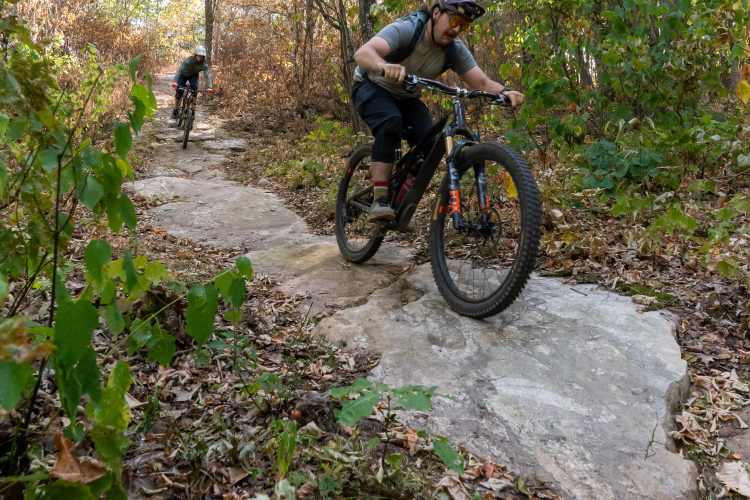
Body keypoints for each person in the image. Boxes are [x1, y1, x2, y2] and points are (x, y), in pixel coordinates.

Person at [352, 0, 524, 223]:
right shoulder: (408, 29)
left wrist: (507, 92)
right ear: (435, 13)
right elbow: (363, 53)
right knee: (390, 122)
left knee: (432, 143)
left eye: (463, 25)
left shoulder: (454, 49)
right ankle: (380, 200)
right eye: (453, 20)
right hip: (371, 85)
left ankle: (401, 204)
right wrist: (383, 66)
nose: (456, 29)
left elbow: (482, 82)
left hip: (407, 95)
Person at [171, 45, 213, 118]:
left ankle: (193, 109)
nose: (200, 58)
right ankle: (175, 109)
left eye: (202, 57)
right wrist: (175, 81)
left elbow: (207, 76)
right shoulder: (188, 61)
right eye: (198, 56)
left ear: (204, 57)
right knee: (179, 91)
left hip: (193, 76)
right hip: (183, 75)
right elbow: (179, 70)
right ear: (195, 55)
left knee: (194, 89)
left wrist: (209, 87)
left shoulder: (204, 65)